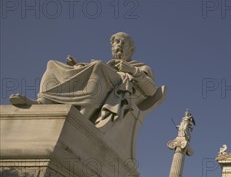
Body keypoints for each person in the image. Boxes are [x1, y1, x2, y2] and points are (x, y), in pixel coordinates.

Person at [10, 32, 158, 128]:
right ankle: (43, 102)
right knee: (52, 65)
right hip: (101, 76)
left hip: (119, 89)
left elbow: (151, 90)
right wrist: (77, 66)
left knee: (98, 67)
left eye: (122, 42)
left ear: (131, 49)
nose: (118, 46)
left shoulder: (140, 66)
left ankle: (82, 116)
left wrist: (131, 70)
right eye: (115, 43)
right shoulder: (105, 65)